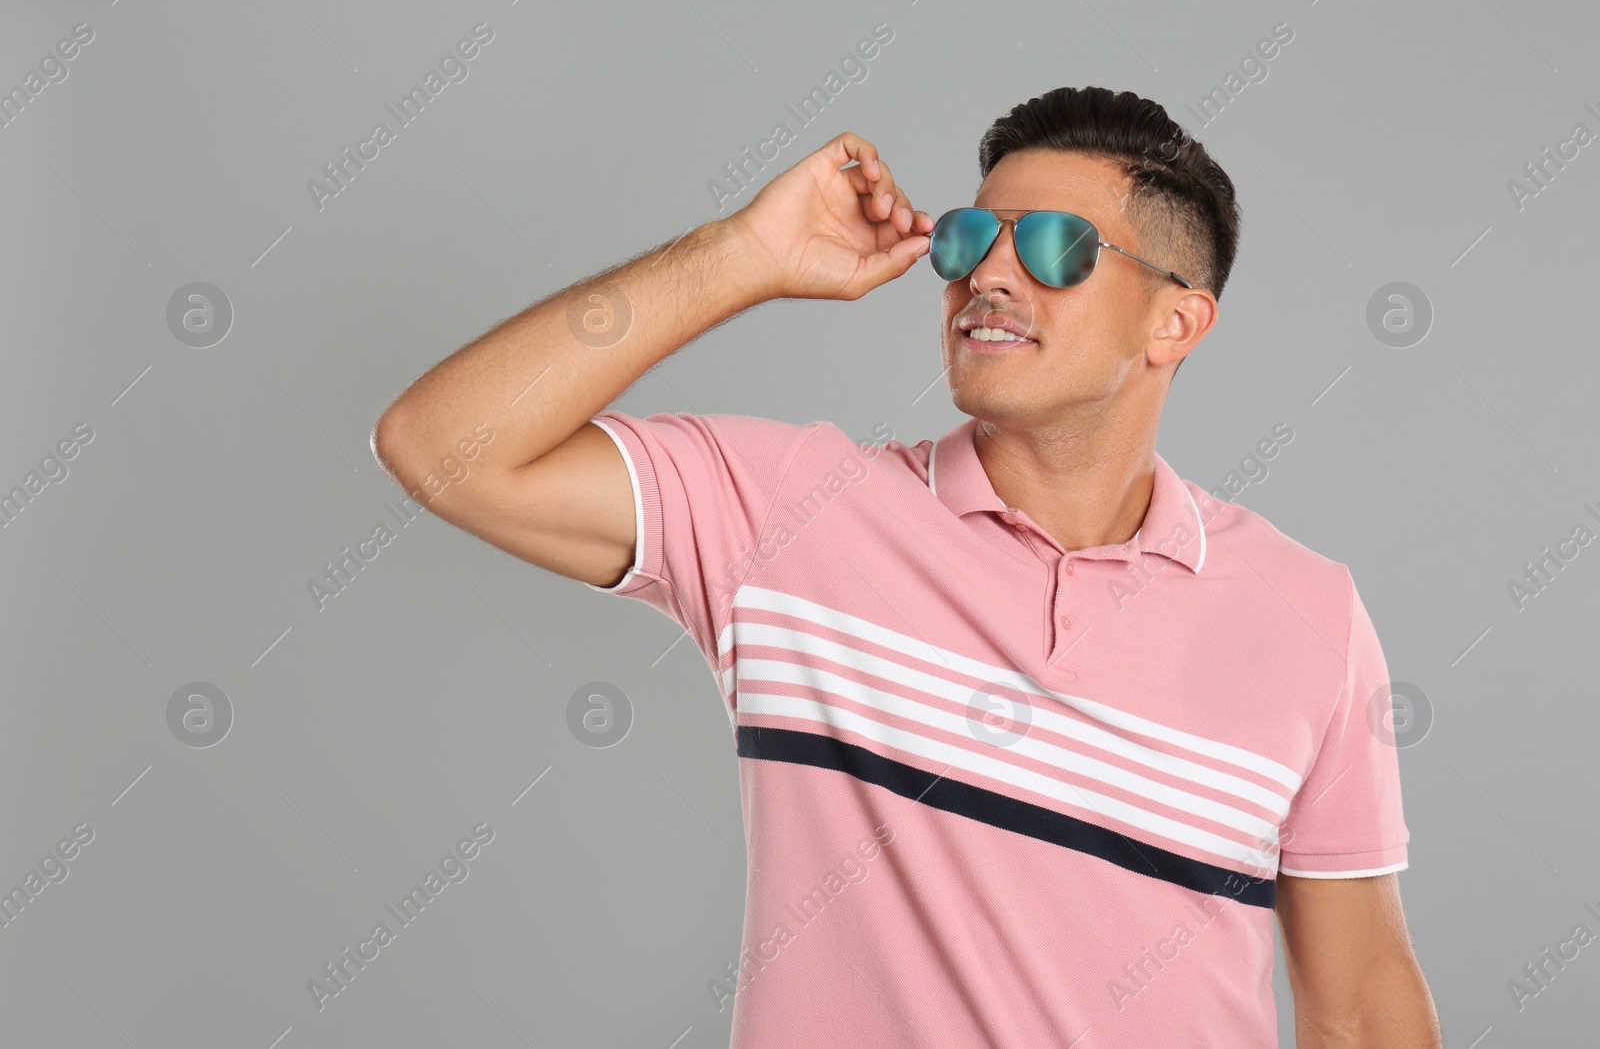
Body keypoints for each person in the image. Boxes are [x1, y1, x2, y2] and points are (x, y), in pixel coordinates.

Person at [373, 85, 1442, 1048]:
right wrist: (742, 254)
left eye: (1055, 247)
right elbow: (442, 445)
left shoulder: (1307, 615)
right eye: (972, 236)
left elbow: (1359, 1005)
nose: (986, 271)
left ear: (1175, 321)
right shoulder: (792, 513)